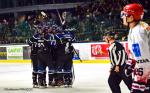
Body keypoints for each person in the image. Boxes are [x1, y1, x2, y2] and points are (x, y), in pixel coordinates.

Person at [121, 3, 150, 93]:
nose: (122, 17)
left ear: (131, 17)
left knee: (139, 89)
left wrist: (141, 76)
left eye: (124, 15)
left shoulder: (138, 32)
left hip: (145, 66)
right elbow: (136, 51)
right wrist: (131, 63)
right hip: (145, 65)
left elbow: (143, 57)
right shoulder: (137, 27)